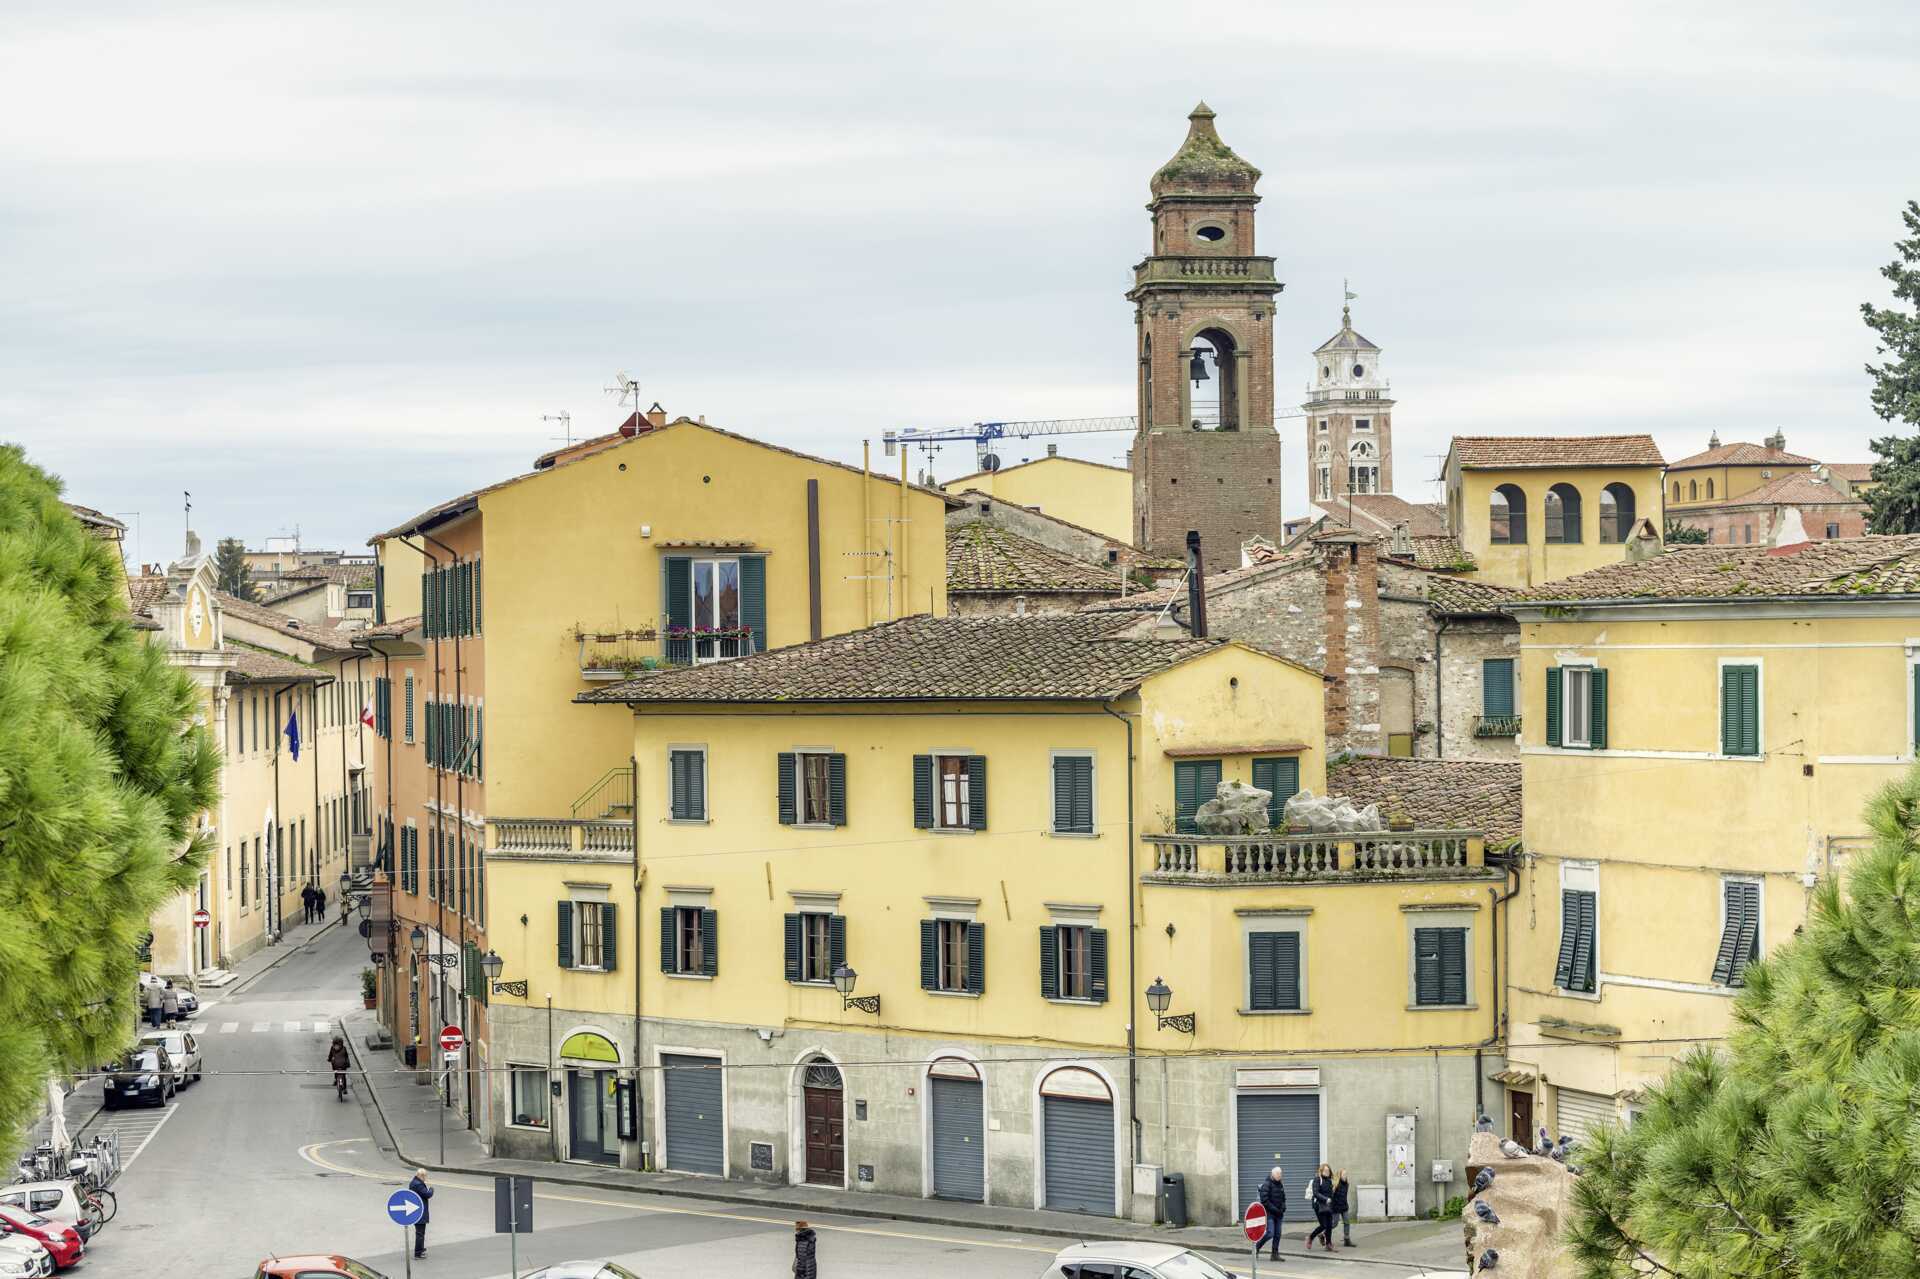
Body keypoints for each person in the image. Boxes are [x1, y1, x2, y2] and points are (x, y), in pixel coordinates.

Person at [1305, 1163, 1336, 1252]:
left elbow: (1331, 1194)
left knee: (1329, 1225)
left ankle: (1328, 1244)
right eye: (1325, 1170)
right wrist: (1325, 1199)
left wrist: (1332, 1202)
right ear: (1321, 1171)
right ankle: (1310, 1237)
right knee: (1323, 1225)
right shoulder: (1317, 1179)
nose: (1327, 1172)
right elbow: (1316, 1193)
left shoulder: (1329, 1181)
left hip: (1328, 1205)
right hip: (1319, 1205)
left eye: (1328, 1170)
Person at [1258, 1166, 1287, 1260]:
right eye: (1277, 1173)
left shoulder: (1280, 1184)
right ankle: (1256, 1247)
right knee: (1270, 1233)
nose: (1279, 1175)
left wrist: (1283, 1207)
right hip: (1269, 1213)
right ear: (1272, 1174)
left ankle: (1274, 1254)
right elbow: (1265, 1201)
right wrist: (1275, 1210)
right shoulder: (1266, 1184)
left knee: (1278, 1234)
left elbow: (1283, 1198)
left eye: (1280, 1173)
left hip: (1279, 1214)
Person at [408, 1169, 433, 1257]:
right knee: (420, 1233)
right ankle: (418, 1253)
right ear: (421, 1175)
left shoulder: (414, 1182)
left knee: (420, 1232)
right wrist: (431, 1189)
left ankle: (420, 1248)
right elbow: (427, 1194)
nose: (425, 1178)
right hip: (419, 1211)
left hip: (416, 1210)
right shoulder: (418, 1184)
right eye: (425, 1176)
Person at [1331, 1168, 1353, 1247]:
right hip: (1336, 1207)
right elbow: (1331, 1196)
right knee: (1334, 1223)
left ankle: (1347, 1240)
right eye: (1343, 1174)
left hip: (1344, 1207)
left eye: (1346, 1174)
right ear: (1340, 1175)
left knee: (1347, 1222)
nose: (1345, 1176)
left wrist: (1346, 1205)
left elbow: (1344, 1196)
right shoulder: (1335, 1184)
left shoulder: (1347, 1184)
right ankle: (1323, 1233)